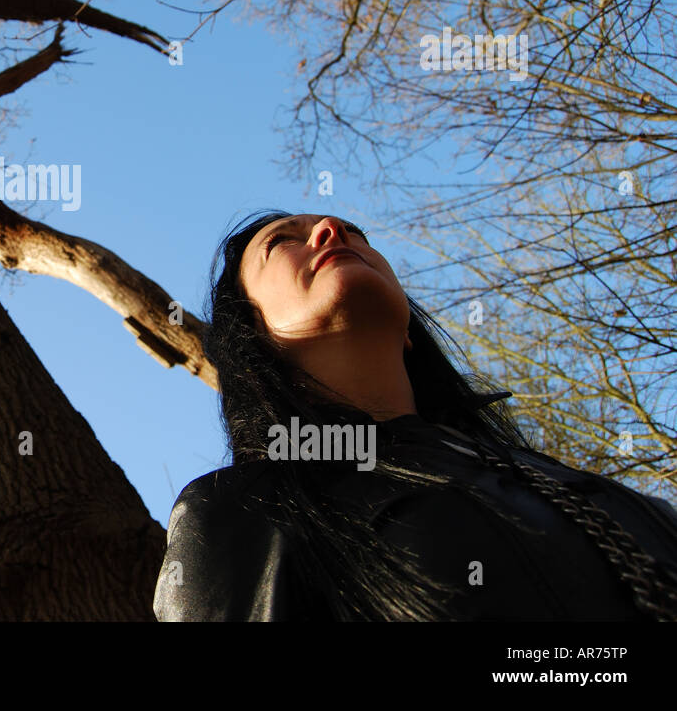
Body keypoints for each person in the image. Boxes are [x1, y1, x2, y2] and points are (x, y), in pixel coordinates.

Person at [153, 210, 677, 621]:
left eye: (352, 231)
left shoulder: (594, 493)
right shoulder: (244, 510)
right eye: (282, 241)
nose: (332, 230)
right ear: (253, 341)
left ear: (408, 331)